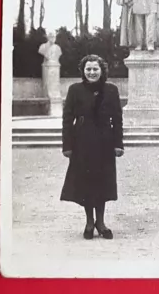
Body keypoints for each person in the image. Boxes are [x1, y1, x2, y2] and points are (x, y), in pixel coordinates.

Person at [60, 54, 125, 240]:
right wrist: (68, 145)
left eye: (95, 69)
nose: (92, 72)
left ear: (102, 70)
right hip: (82, 141)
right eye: (88, 69)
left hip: (104, 141)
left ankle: (101, 222)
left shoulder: (111, 90)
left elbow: (118, 119)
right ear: (83, 71)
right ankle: (89, 221)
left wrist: (118, 144)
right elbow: (67, 119)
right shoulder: (75, 90)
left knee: (102, 182)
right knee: (86, 182)